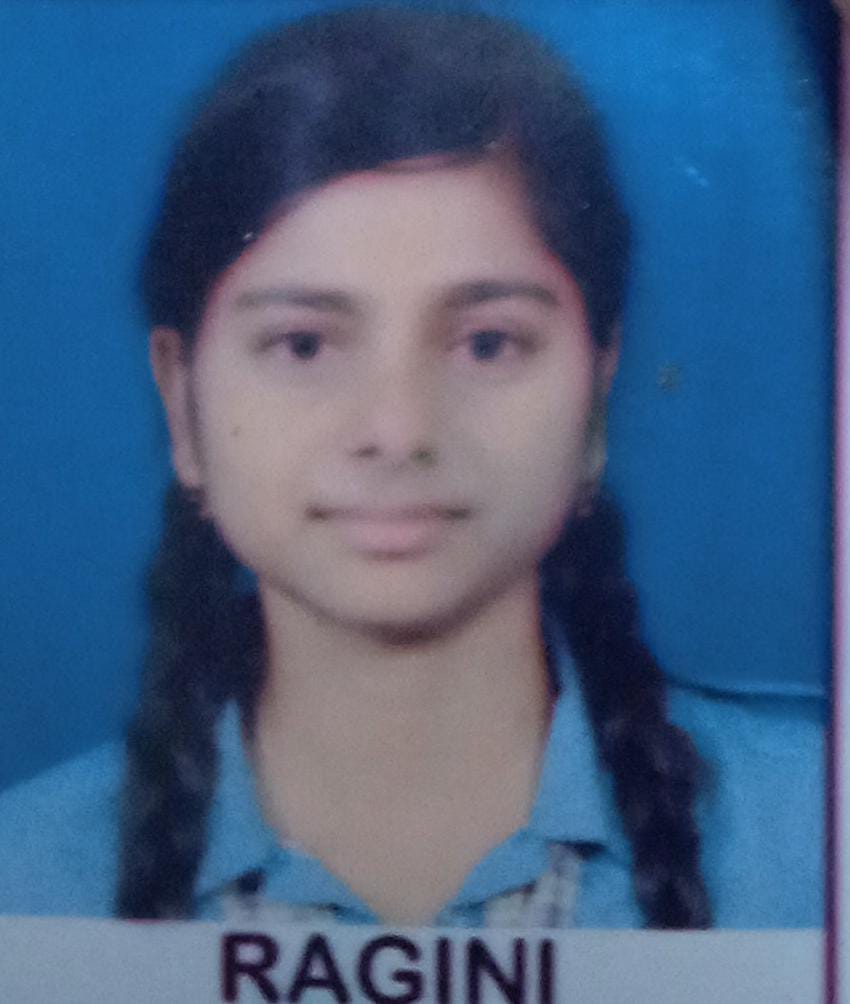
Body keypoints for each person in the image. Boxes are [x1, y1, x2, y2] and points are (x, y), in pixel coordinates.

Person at [0, 4, 823, 929]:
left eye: (487, 343)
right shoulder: (24, 887)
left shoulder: (812, 839)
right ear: (181, 398)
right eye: (304, 344)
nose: (397, 431)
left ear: (597, 393)